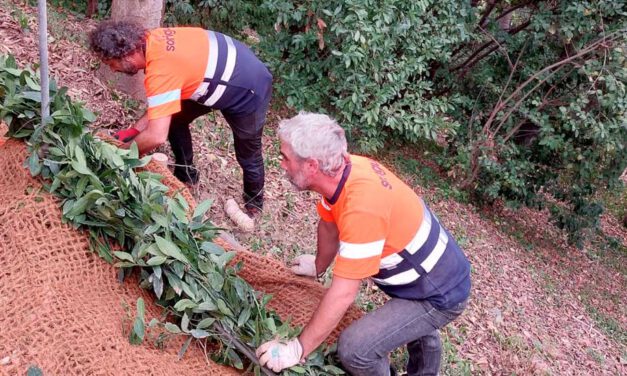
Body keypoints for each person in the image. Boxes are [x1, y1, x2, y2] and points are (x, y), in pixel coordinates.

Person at [256, 113, 471, 375]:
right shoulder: (343, 173)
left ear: (311, 165)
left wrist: (298, 349)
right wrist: (318, 265)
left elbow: (344, 294)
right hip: (423, 271)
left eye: (285, 157)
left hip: (439, 291)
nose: (281, 164)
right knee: (416, 326)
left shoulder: (362, 209)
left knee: (356, 349)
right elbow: (328, 224)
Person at [88, 21, 273, 214]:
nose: (113, 70)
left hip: (249, 87)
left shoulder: (161, 69)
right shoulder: (153, 40)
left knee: (248, 153)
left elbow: (156, 136)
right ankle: (186, 176)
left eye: (112, 64)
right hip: (216, 74)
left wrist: (123, 154)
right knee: (174, 120)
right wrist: (134, 130)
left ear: (125, 54)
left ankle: (254, 204)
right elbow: (162, 107)